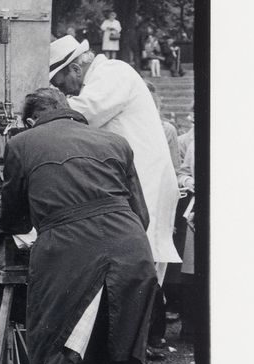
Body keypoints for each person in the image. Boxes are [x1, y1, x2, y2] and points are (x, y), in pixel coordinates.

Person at [0, 87, 157, 364]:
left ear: (32, 120)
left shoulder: (22, 143)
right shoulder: (114, 142)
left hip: (72, 258)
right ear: (69, 112)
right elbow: (141, 215)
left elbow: (13, 218)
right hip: (132, 253)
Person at [49, 35, 181, 289]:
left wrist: (36, 118)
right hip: (133, 180)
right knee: (133, 266)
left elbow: (80, 113)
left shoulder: (113, 72)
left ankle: (146, 325)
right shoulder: (101, 77)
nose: (62, 91)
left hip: (146, 180)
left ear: (75, 69)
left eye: (60, 82)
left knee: (141, 267)